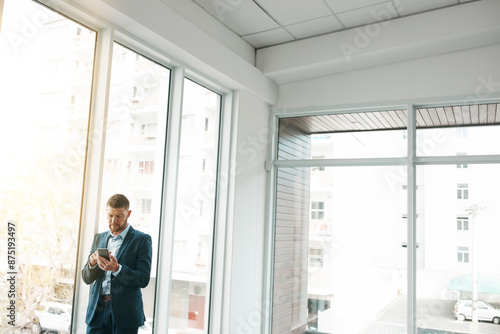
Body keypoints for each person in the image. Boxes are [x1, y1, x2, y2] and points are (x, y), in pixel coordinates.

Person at [82, 194, 152, 334]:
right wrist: (92, 262)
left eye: (119, 216)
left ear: (128, 214)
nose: (113, 220)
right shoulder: (99, 238)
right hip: (98, 311)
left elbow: (143, 278)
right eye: (110, 215)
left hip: (125, 314)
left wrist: (118, 269)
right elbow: (86, 278)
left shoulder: (142, 240)